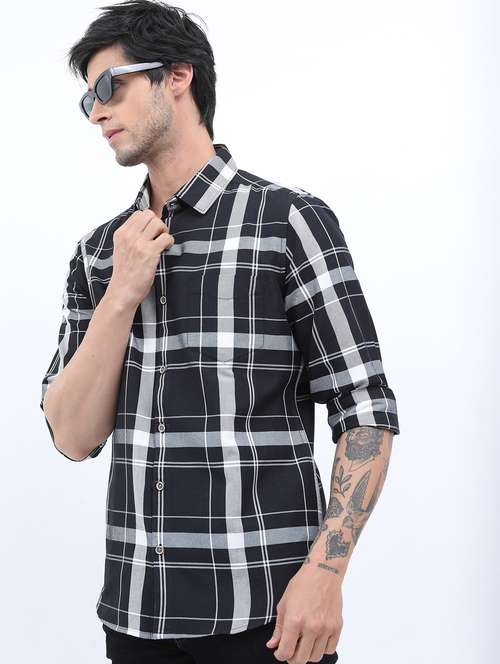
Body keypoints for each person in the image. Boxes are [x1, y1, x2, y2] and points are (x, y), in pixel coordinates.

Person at [39, 2, 401, 663]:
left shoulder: (287, 222)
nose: (95, 112)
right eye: (87, 99)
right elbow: (72, 435)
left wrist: (326, 573)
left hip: (268, 619)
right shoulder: (100, 253)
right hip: (136, 618)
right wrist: (122, 293)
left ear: (177, 76)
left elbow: (365, 408)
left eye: (108, 86)